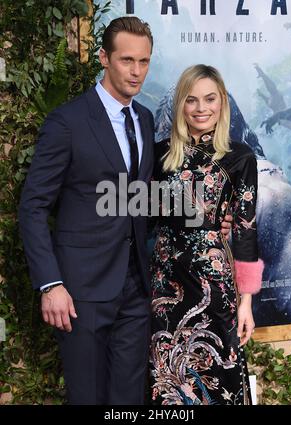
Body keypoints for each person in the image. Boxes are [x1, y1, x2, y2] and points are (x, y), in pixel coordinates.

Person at [18, 17, 232, 405]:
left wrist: (213, 216)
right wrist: (51, 284)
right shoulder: (67, 122)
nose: (136, 72)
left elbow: (144, 199)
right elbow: (33, 207)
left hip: (135, 289)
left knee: (130, 399)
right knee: (88, 397)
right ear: (104, 57)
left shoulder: (144, 119)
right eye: (127, 60)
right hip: (81, 291)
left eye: (144, 62)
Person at [149, 65, 264, 405]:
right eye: (192, 100)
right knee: (167, 379)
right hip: (165, 281)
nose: (201, 108)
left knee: (220, 378)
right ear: (180, 105)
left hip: (214, 284)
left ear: (222, 102)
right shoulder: (160, 156)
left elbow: (246, 231)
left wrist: (246, 303)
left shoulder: (240, 157)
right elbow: (145, 219)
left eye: (210, 99)